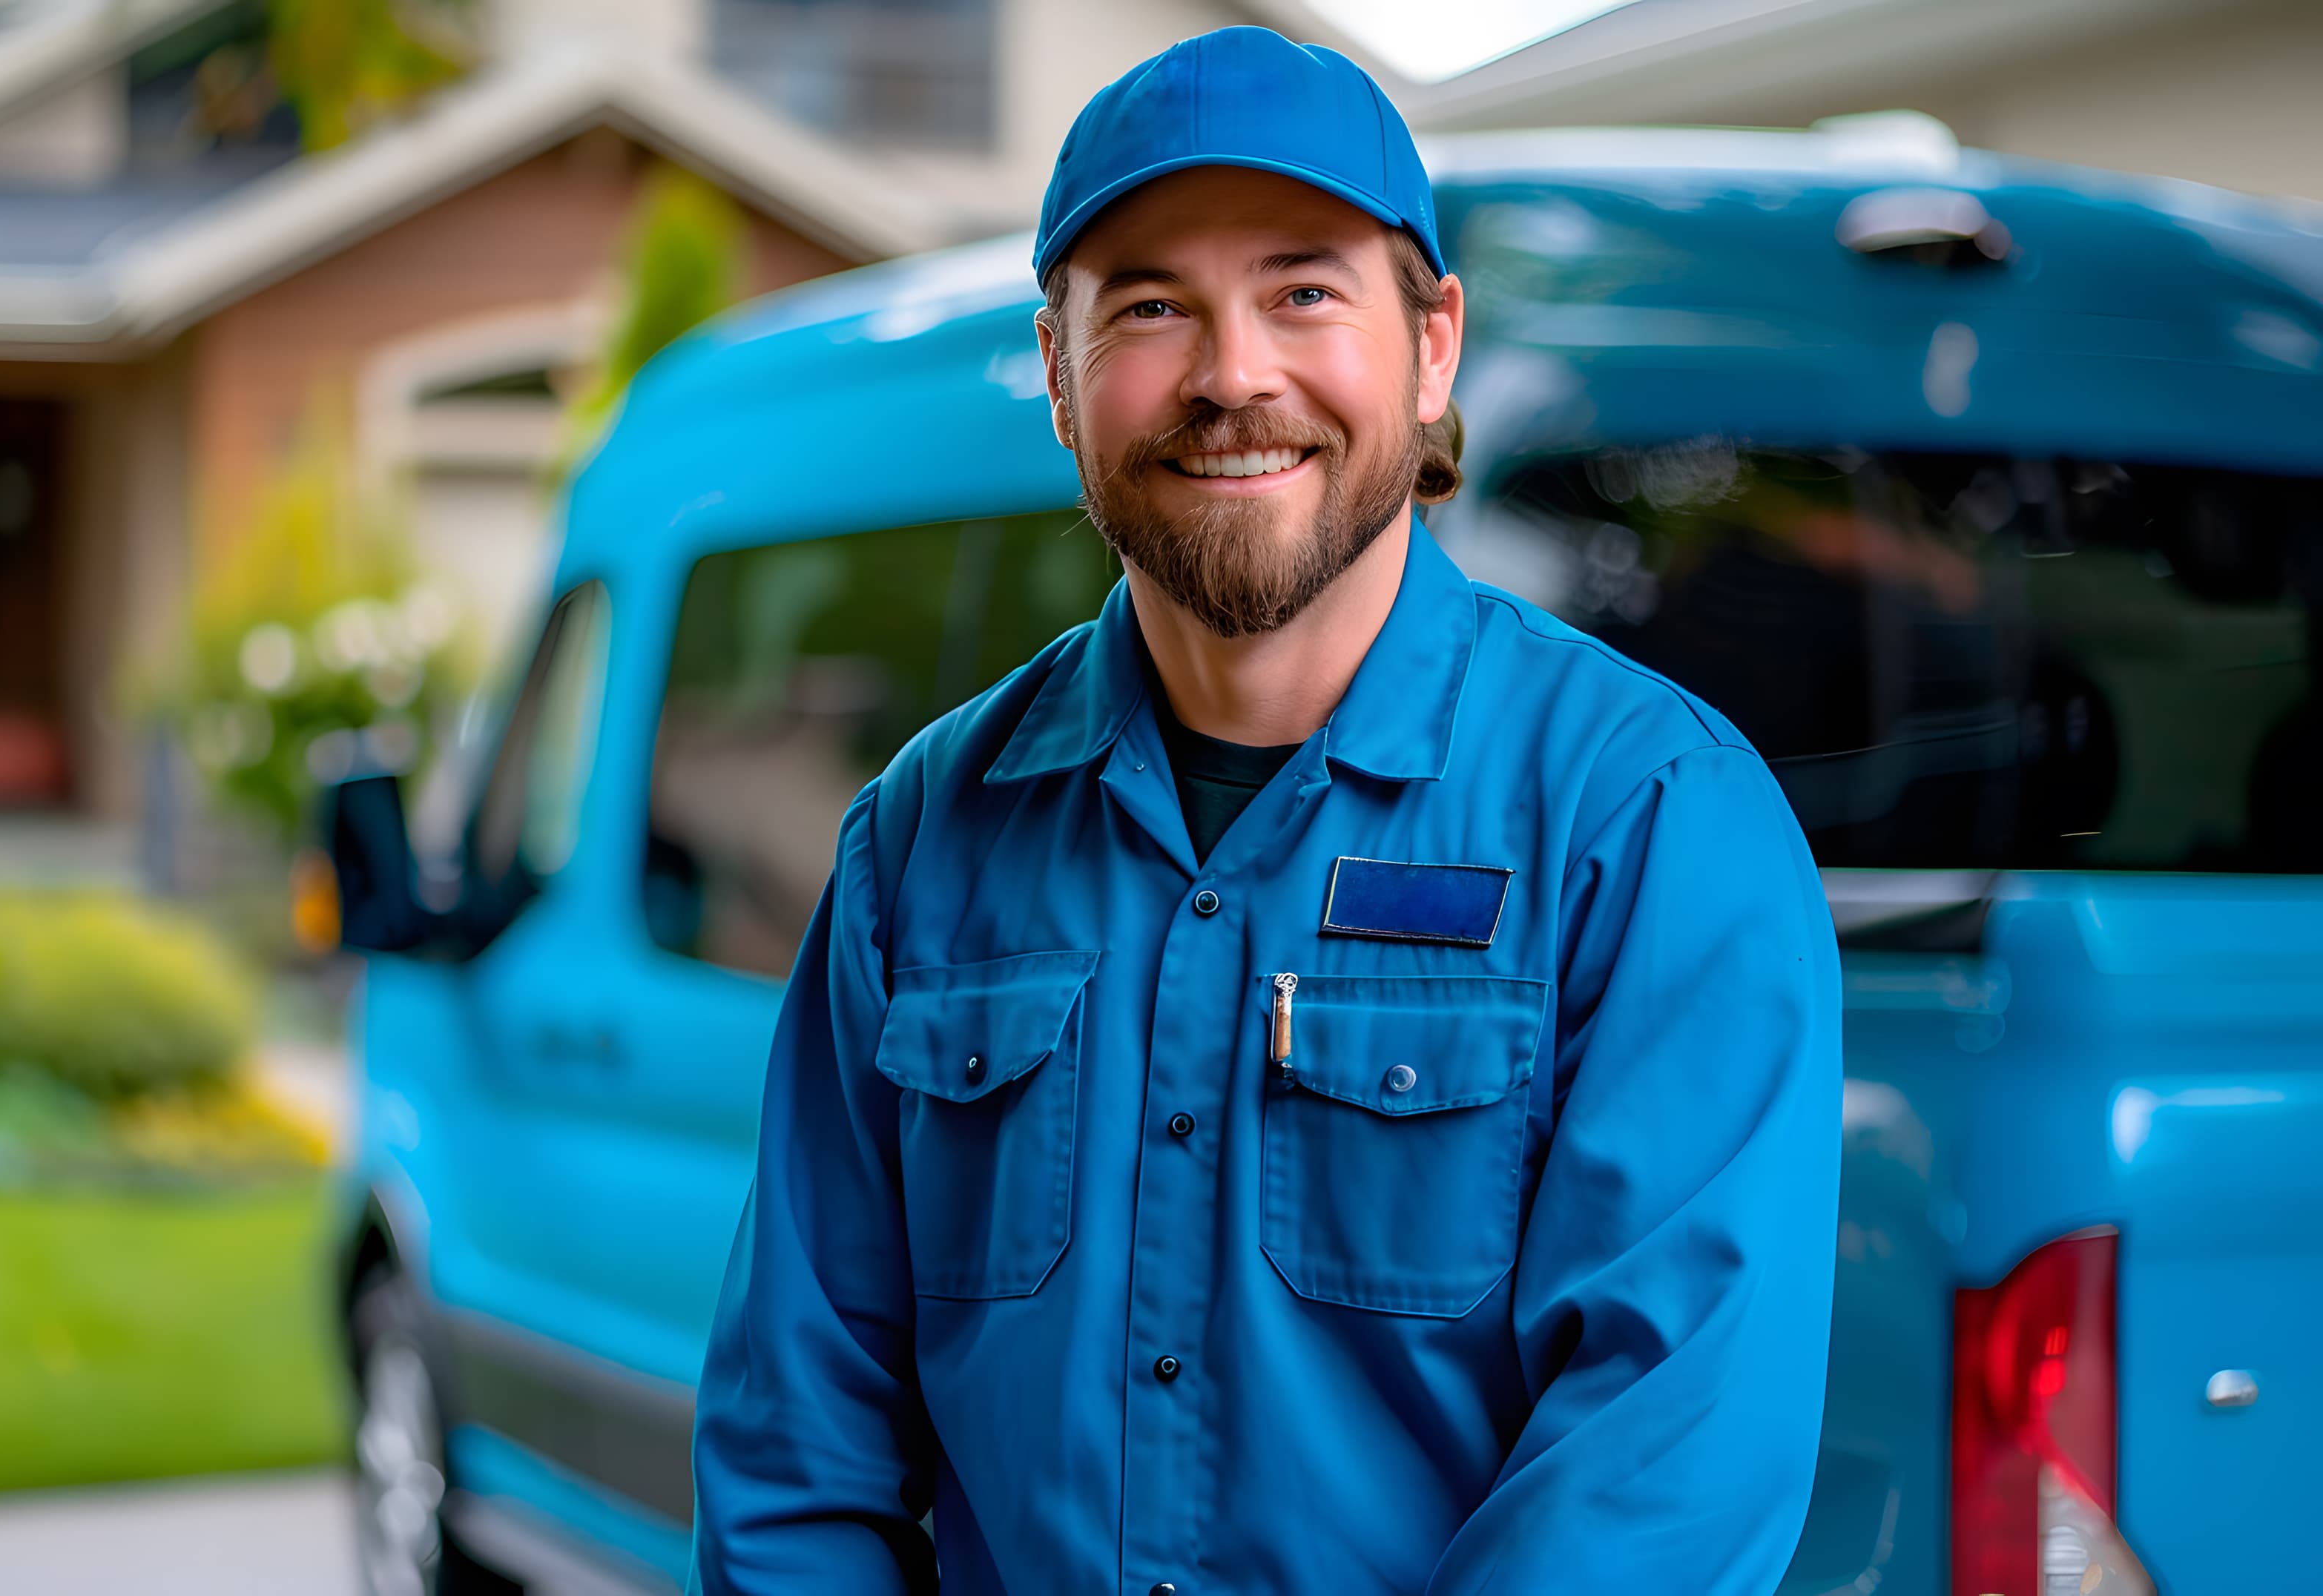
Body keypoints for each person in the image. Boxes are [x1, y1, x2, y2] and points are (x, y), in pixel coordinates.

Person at [690, 26, 1840, 1594]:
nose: (1234, 376)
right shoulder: (918, 848)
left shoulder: (1648, 822)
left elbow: (1656, 1489)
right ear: (1057, 372)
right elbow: (794, 1457)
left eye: (1304, 290)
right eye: (1153, 305)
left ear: (1434, 345)